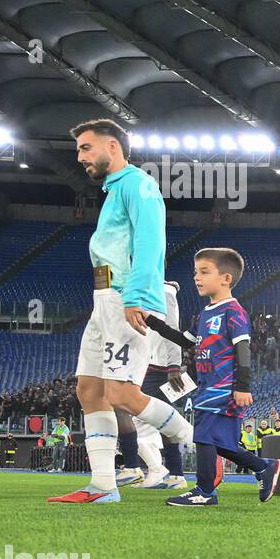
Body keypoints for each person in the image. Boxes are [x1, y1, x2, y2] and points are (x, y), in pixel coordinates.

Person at [48, 119, 194, 504]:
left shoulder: (138, 185)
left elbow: (150, 242)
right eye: (79, 149)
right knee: (89, 389)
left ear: (113, 147)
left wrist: (137, 298)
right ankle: (103, 486)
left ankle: (200, 440)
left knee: (123, 394)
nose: (80, 157)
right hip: (104, 300)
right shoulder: (115, 190)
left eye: (86, 148)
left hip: (125, 299)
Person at [146, 248, 280, 506]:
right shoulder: (205, 313)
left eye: (204, 272)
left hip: (225, 388)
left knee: (204, 437)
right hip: (207, 387)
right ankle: (264, 467)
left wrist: (243, 386)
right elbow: (184, 341)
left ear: (226, 278)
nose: (197, 277)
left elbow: (243, 349)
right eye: (196, 272)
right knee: (219, 442)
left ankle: (204, 491)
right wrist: (152, 322)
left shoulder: (234, 311)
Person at [113, 279, 190, 490]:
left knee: (158, 419)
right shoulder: (136, 286)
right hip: (143, 362)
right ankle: (165, 472)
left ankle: (146, 469)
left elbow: (172, 327)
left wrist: (174, 365)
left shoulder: (164, 289)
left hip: (160, 365)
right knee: (129, 410)